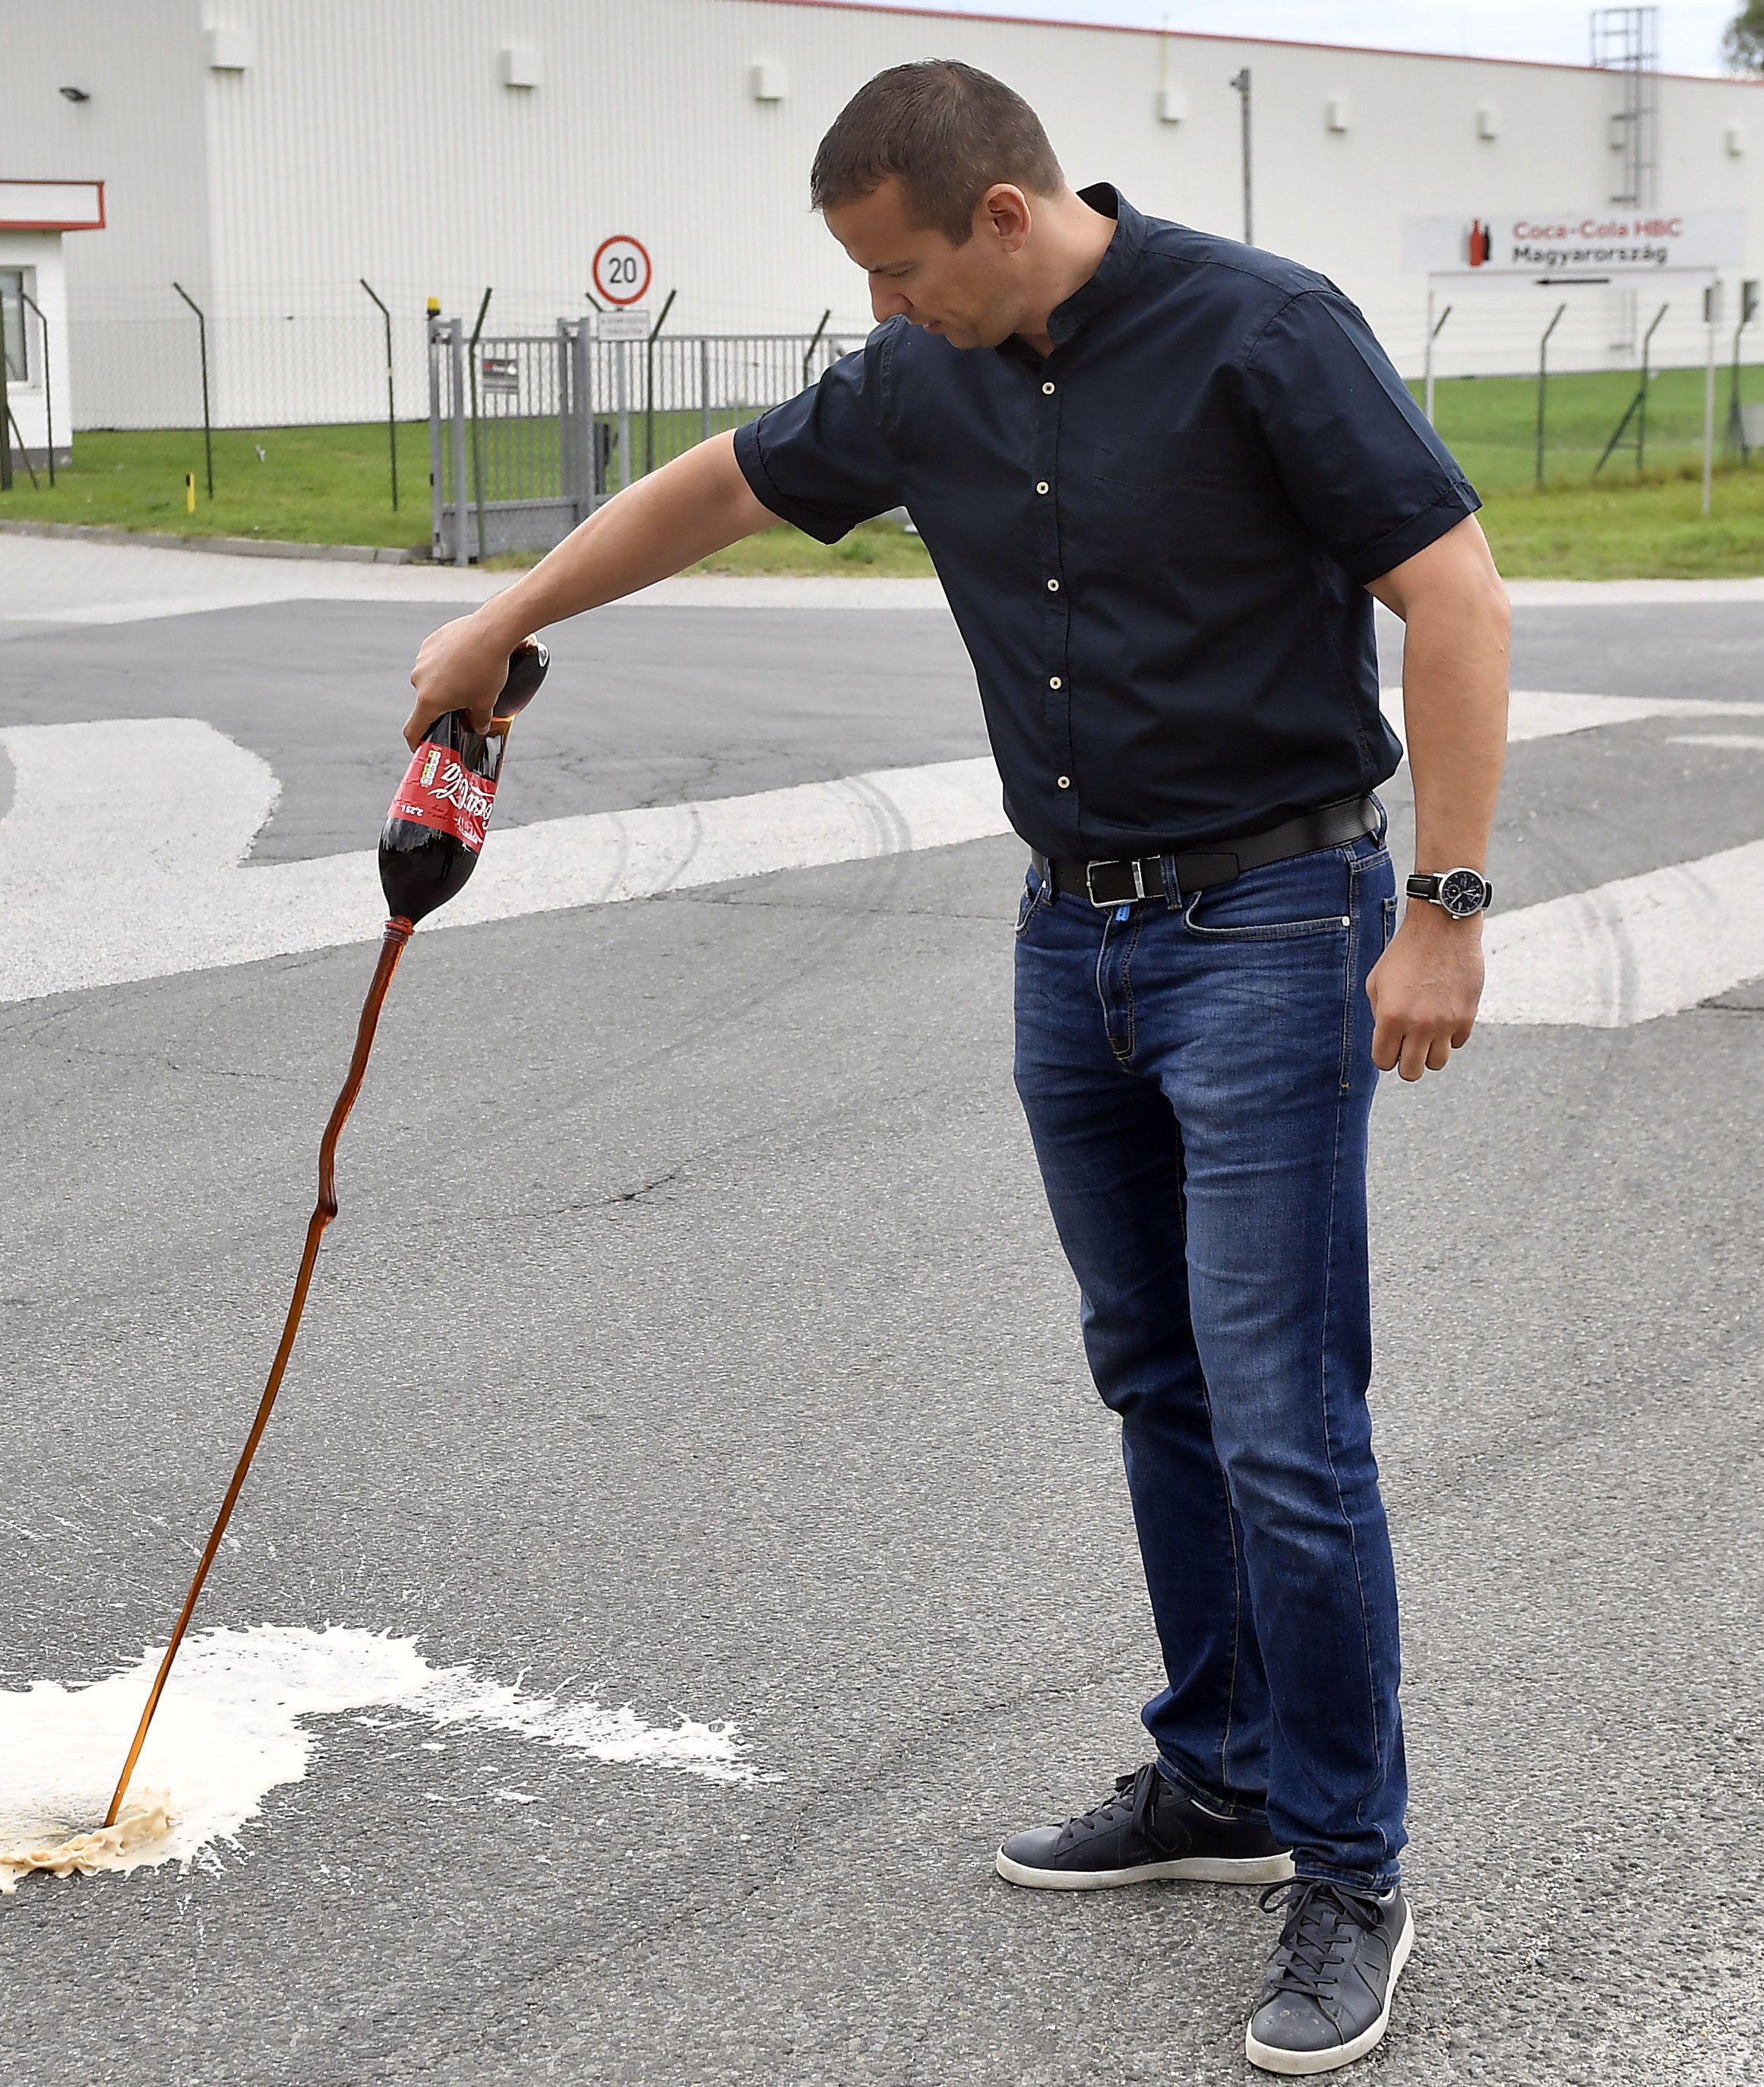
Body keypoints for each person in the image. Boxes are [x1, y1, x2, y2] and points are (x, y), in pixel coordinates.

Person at [403, 58, 1508, 2078]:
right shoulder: (924, 376)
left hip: (1274, 924)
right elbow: (723, 481)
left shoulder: (1263, 329)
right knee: (1151, 1372)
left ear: (1002, 214)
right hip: (1062, 927)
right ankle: (1221, 1773)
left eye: (898, 269)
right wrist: (507, 612)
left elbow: (1447, 591)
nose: (880, 311)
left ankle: (1348, 1858)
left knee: (1280, 1410)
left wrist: (1440, 902)